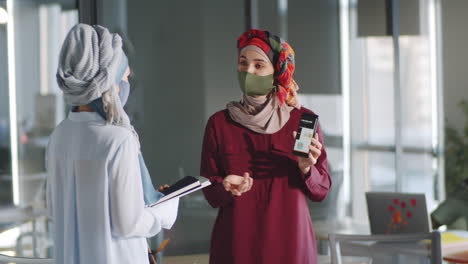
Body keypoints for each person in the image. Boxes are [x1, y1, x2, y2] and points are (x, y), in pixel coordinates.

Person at [46, 24, 178, 264]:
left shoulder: (60, 134)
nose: (126, 86)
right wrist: (167, 207)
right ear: (110, 82)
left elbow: (55, 212)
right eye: (125, 78)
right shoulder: (118, 139)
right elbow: (129, 223)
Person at [200, 29, 332, 264]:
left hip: (291, 245)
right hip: (235, 246)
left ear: (277, 72)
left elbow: (321, 191)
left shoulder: (303, 121)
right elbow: (210, 193)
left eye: (259, 65)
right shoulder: (219, 124)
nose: (248, 71)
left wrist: (306, 169)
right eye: (243, 63)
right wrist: (225, 187)